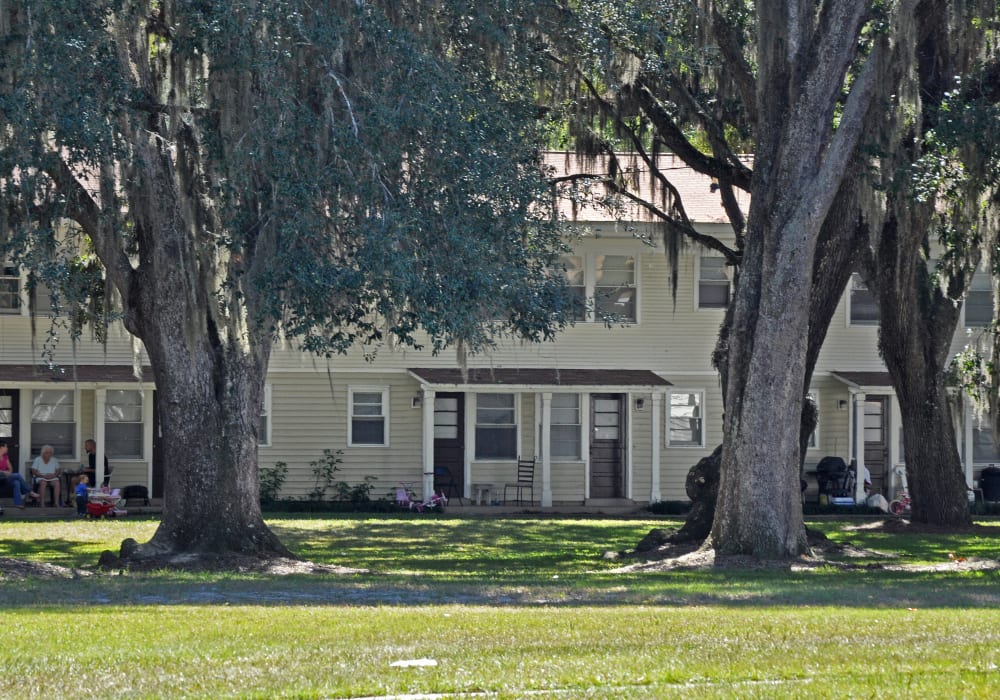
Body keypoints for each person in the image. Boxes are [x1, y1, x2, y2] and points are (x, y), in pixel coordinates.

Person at [67, 439, 109, 506]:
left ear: (92, 446)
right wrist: (84, 469)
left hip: (98, 479)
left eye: (86, 445)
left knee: (74, 480)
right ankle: (75, 499)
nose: (85, 447)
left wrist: (87, 470)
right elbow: (92, 467)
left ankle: (75, 500)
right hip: (90, 476)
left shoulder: (100, 456)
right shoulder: (91, 455)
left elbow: (101, 471)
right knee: (74, 478)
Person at [0, 441, 38, 509]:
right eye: (6, 446)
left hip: (5, 479)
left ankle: (18, 504)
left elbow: (10, 469)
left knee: (16, 483)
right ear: (1, 447)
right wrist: (3, 472)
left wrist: (7, 473)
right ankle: (29, 492)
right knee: (17, 475)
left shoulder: (5, 457)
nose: (7, 448)